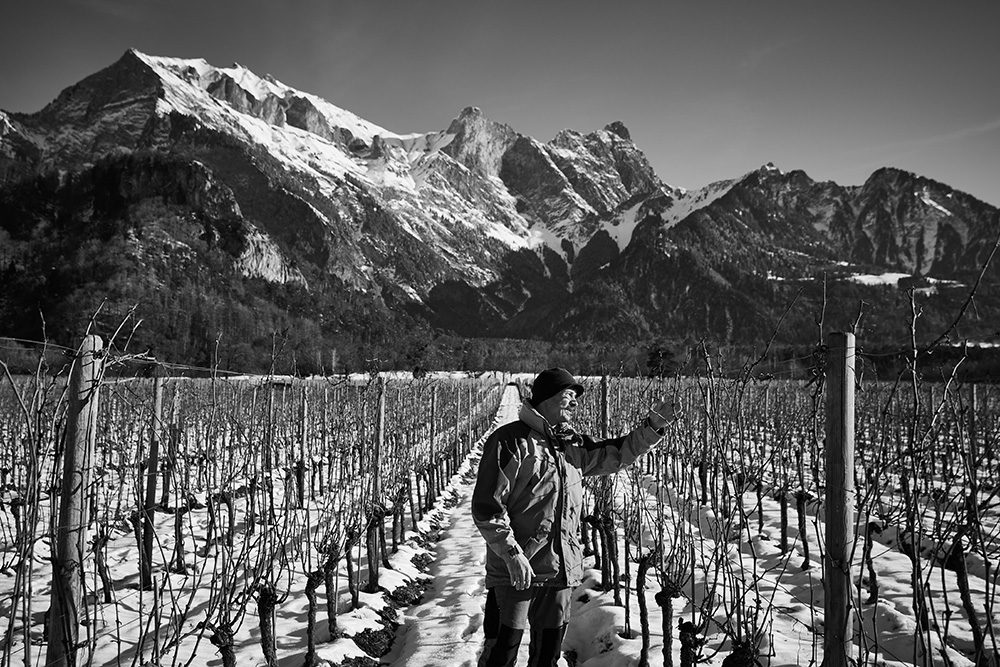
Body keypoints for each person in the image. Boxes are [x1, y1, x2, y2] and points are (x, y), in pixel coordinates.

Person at [472, 368, 678, 667]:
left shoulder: (574, 446)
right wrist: (511, 554)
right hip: (514, 570)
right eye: (566, 396)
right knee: (502, 652)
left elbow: (617, 452)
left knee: (547, 656)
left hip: (560, 572)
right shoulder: (510, 441)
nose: (574, 403)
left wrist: (652, 427)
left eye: (575, 397)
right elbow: (487, 508)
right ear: (544, 400)